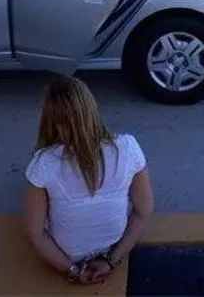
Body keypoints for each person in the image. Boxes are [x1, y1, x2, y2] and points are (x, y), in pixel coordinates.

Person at [24, 76, 153, 285]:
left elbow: (36, 234)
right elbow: (144, 212)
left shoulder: (43, 163)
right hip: (114, 245)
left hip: (68, 254)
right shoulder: (129, 147)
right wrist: (112, 261)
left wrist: (74, 271)